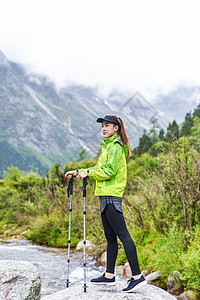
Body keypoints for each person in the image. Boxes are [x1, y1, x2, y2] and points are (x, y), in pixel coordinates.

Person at [65, 115, 147, 293]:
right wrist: (81, 172)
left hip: (111, 196)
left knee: (124, 236)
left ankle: (138, 277)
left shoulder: (116, 147)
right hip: (105, 196)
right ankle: (109, 275)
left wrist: (88, 174)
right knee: (111, 238)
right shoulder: (108, 146)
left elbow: (108, 171)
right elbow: (99, 169)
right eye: (102, 126)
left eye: (107, 125)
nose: (103, 128)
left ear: (116, 128)